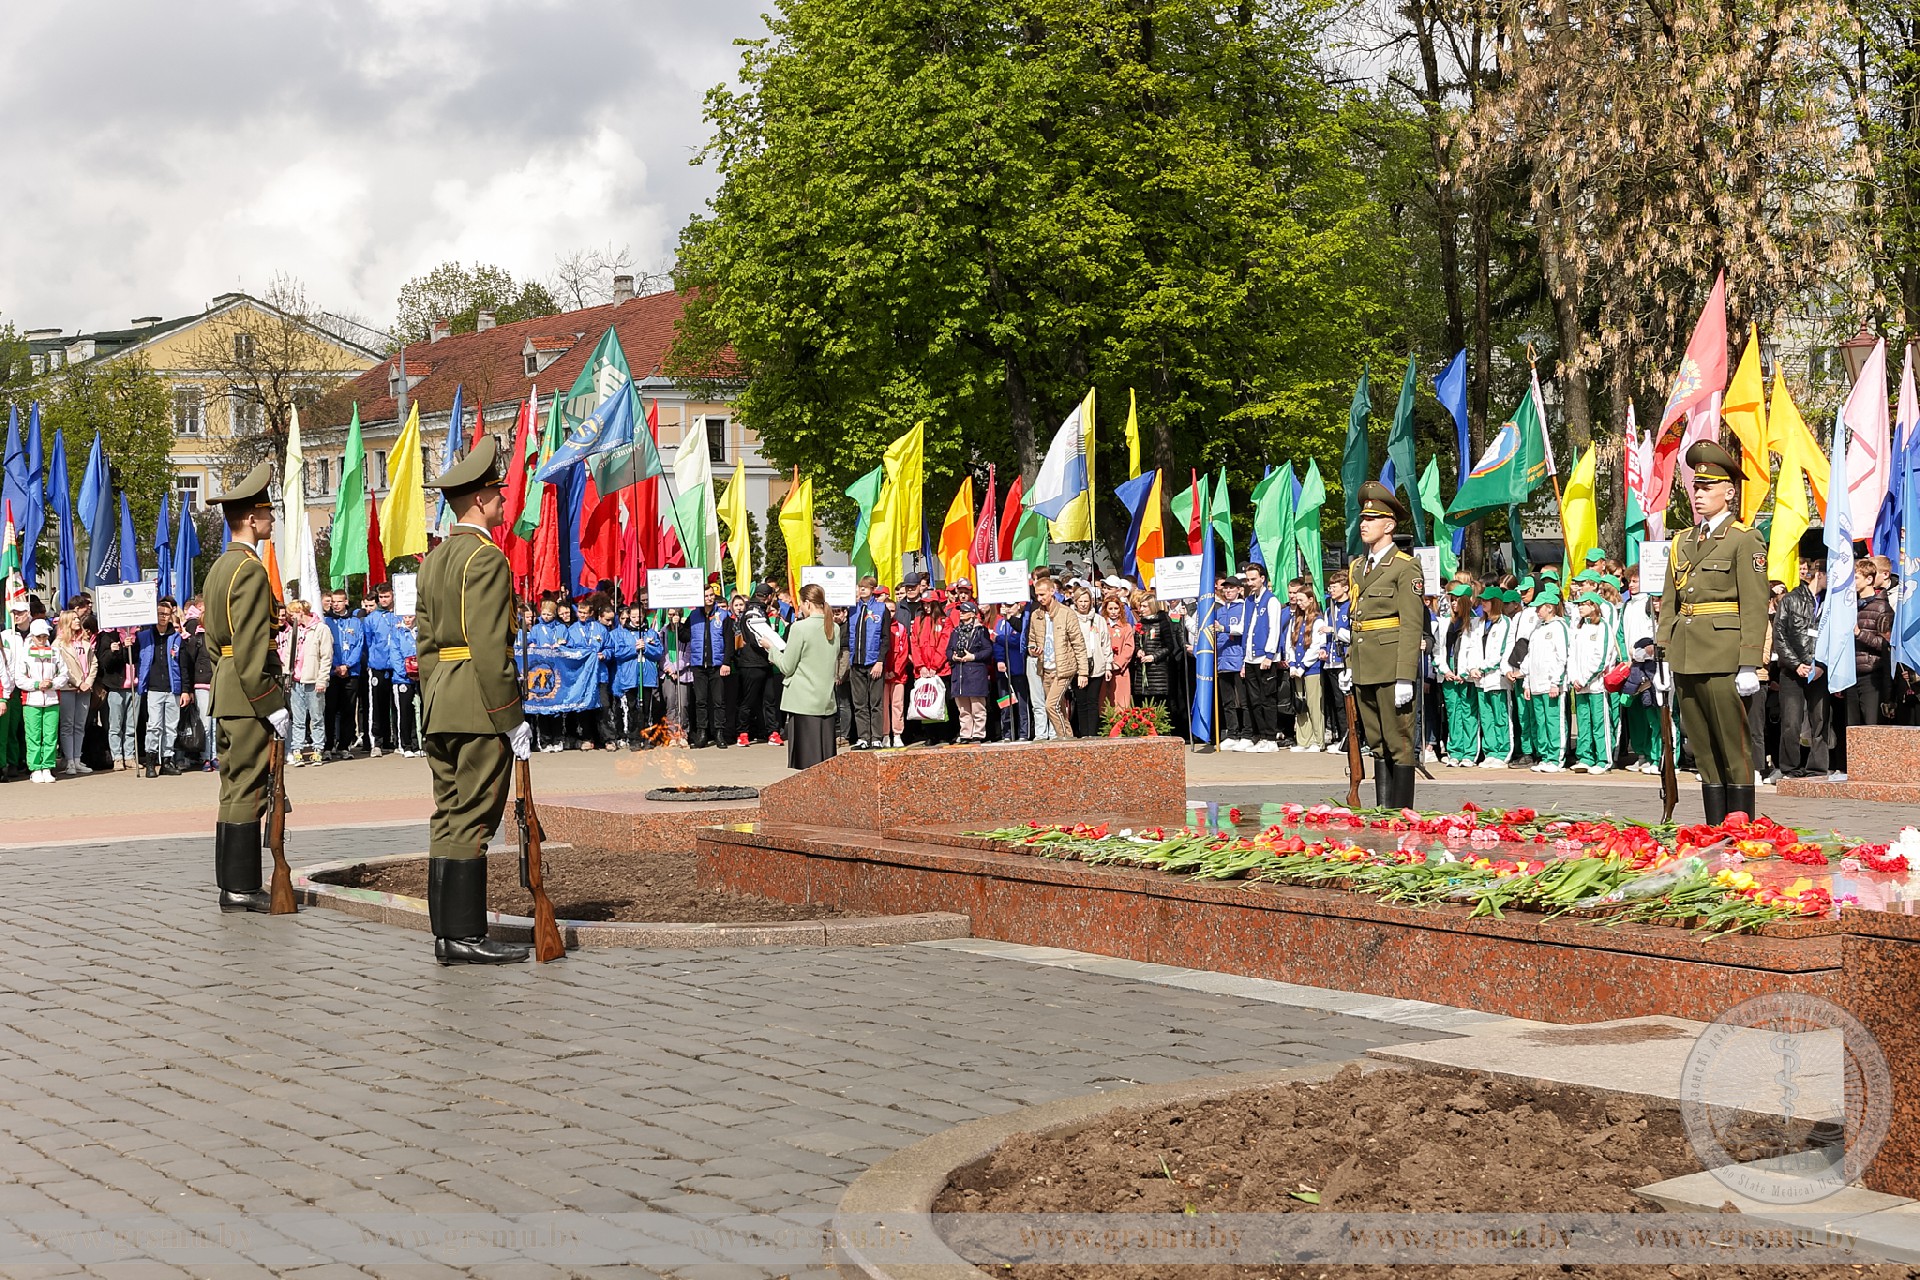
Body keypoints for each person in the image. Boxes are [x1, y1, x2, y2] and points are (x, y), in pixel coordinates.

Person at [415, 435, 531, 965]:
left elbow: (426, 646)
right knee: (474, 819)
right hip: (480, 706)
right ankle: (465, 936)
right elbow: (487, 645)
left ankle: (447, 933)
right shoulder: (486, 558)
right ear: (480, 500)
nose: (504, 500)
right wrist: (510, 716)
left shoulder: (434, 560)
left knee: (448, 815)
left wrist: (436, 698)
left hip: (442, 701)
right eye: (498, 493)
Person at [1657, 439, 1768, 824]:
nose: (1699, 494)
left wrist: (1749, 662)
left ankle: (1739, 829)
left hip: (1724, 656)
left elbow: (1754, 603)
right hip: (1686, 656)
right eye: (1696, 487)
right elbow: (1670, 602)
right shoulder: (1682, 541)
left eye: (1708, 487)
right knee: (1702, 748)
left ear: (1729, 493)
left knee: (1733, 749)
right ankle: (1714, 829)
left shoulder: (1744, 539)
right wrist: (1663, 655)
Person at [203, 463, 292, 914]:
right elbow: (252, 644)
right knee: (249, 789)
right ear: (252, 519)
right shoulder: (251, 570)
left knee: (232, 787)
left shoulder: (220, 568)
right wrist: (270, 701)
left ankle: (233, 886)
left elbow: (214, 643)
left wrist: (230, 681)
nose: (271, 519)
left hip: (227, 687)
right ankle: (240, 888)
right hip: (249, 692)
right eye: (267, 513)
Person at [1339, 482, 1423, 807]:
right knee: (1375, 741)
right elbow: (1356, 621)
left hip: (1390, 666)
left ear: (1389, 526)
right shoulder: (1357, 568)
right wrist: (1350, 664)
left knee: (1398, 742)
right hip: (1364, 666)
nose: (1364, 524)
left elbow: (1412, 624)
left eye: (1371, 519)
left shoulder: (1405, 566)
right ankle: (1383, 812)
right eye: (1363, 518)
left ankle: (1402, 815)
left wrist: (1405, 675)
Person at [1773, 538, 1829, 779]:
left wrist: (1822, 666)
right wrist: (1796, 664)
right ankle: (1790, 767)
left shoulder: (1830, 602)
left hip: (1819, 670)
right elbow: (1780, 635)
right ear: (1820, 574)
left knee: (1821, 720)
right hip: (1793, 671)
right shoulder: (1791, 599)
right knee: (1791, 722)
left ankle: (1818, 767)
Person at [771, 582, 840, 769]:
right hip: (825, 701)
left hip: (803, 702)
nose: (800, 607)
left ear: (808, 603)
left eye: (801, 603)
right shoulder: (834, 627)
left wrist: (771, 650)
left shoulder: (800, 628)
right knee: (825, 763)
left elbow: (787, 666)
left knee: (807, 765)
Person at [1030, 576, 1089, 739]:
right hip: (1045, 667)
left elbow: (1078, 643)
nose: (1039, 598)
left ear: (1052, 591)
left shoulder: (1066, 613)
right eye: (1037, 595)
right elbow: (1032, 640)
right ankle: (1068, 737)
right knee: (1059, 707)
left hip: (1063, 668)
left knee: (1050, 705)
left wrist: (1083, 672)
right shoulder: (1036, 615)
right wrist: (1033, 650)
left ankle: (1064, 739)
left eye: (1042, 594)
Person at [1567, 590, 1619, 774]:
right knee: (1583, 723)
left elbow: (1601, 657)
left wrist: (1584, 679)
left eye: (1584, 604)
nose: (1580, 607)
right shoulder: (1579, 628)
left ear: (1594, 606)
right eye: (1579, 604)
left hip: (1596, 685)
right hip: (1580, 686)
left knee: (1599, 723)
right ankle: (1585, 757)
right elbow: (1571, 655)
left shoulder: (1603, 627)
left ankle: (1603, 759)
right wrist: (1574, 677)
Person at [278, 599, 333, 767]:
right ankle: (297, 750)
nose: (290, 617)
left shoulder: (321, 629)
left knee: (316, 717)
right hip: (296, 680)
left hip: (313, 680)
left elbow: (326, 657)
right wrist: (286, 674)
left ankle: (318, 749)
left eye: (292, 614)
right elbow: (288, 654)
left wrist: (322, 679)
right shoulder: (294, 630)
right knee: (298, 719)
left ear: (301, 612)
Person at [136, 596, 187, 778]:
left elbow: (183, 665)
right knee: (154, 726)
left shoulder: (177, 638)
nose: (163, 617)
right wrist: (126, 646)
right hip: (154, 688)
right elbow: (133, 659)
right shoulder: (144, 636)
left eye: (166, 614)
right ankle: (151, 761)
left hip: (172, 688)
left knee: (171, 727)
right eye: (159, 614)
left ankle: (167, 760)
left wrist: (185, 690)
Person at [1522, 592, 1570, 773]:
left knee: (1553, 721)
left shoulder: (1559, 626)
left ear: (1550, 607)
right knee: (1540, 722)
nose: (1537, 611)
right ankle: (1545, 756)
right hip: (1536, 684)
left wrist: (1555, 682)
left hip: (1551, 684)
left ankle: (1556, 758)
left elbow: (1561, 656)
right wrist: (1527, 682)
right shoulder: (1537, 629)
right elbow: (1530, 657)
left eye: (1539, 607)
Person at [1240, 563, 1285, 751]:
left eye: (1253, 579)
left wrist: (1269, 655)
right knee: (1254, 700)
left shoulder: (1271, 601)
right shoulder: (1249, 601)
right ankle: (1262, 736)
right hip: (1250, 658)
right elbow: (1245, 627)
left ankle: (1271, 738)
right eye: (1248, 579)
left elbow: (1274, 629)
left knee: (1267, 699)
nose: (1250, 583)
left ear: (1262, 579)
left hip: (1264, 658)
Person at [12, 618, 62, 784]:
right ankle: (35, 768)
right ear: (32, 637)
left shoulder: (55, 653)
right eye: (38, 636)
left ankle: (47, 766)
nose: (42, 639)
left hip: (52, 699)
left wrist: (52, 683)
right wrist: (36, 684)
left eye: (44, 636)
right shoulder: (25, 654)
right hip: (31, 701)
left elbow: (63, 674)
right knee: (33, 736)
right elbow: (19, 678)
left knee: (50, 735)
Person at [685, 583, 734, 749]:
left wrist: (726, 662)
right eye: (706, 596)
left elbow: (729, 641)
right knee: (701, 701)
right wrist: (676, 622)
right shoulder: (693, 615)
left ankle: (719, 733)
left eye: (711, 595)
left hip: (717, 665)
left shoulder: (723, 615)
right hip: (699, 665)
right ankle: (702, 734)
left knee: (719, 701)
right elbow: (684, 636)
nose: (709, 598)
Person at [1283, 579, 1329, 752]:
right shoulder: (1296, 619)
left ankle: (1318, 740)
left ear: (1311, 600)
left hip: (1311, 669)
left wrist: (1302, 666)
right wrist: (1292, 664)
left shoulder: (1317, 620)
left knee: (1314, 704)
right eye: (1297, 600)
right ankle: (1304, 740)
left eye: (1302, 600)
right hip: (1297, 669)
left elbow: (1316, 646)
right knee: (1300, 704)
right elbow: (1290, 643)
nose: (1299, 603)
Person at [847, 577, 891, 749]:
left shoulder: (881, 608)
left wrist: (880, 661)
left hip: (873, 662)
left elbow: (886, 638)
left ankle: (876, 738)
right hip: (856, 662)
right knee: (859, 703)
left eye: (865, 587)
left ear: (873, 589)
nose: (862, 590)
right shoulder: (852, 608)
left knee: (876, 703)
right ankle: (863, 737)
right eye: (860, 587)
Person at [53, 611, 96, 777]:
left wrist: (88, 682)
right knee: (67, 725)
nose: (78, 621)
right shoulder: (59, 644)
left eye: (78, 618)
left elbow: (94, 663)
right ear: (66, 622)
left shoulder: (84, 641)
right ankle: (69, 760)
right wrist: (78, 683)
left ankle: (77, 759)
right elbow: (62, 668)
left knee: (79, 725)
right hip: (68, 688)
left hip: (85, 689)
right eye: (74, 619)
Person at [947, 600, 994, 744]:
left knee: (977, 706)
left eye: (965, 611)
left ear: (973, 614)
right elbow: (948, 649)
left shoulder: (981, 631)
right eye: (960, 611)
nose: (961, 613)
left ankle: (978, 733)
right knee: (963, 708)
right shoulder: (956, 631)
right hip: (959, 673)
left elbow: (988, 650)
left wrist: (973, 656)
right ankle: (965, 733)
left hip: (975, 672)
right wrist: (953, 656)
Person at [992, 600, 1030, 742]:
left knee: (1022, 703)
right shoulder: (1000, 622)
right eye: (1005, 606)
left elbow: (1018, 640)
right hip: (1003, 670)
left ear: (1018, 606)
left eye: (1010, 606)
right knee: (1005, 703)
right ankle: (1007, 733)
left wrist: (999, 638)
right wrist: (1000, 660)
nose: (1007, 608)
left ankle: (1024, 733)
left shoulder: (1023, 621)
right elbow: (996, 644)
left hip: (1018, 668)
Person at [1101, 596, 1136, 713]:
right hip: (1104, 668)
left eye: (1116, 608)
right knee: (1104, 701)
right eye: (1110, 609)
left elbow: (1129, 647)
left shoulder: (1126, 627)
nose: (1113, 612)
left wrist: (1119, 663)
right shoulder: (1101, 626)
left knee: (1121, 702)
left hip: (1120, 670)